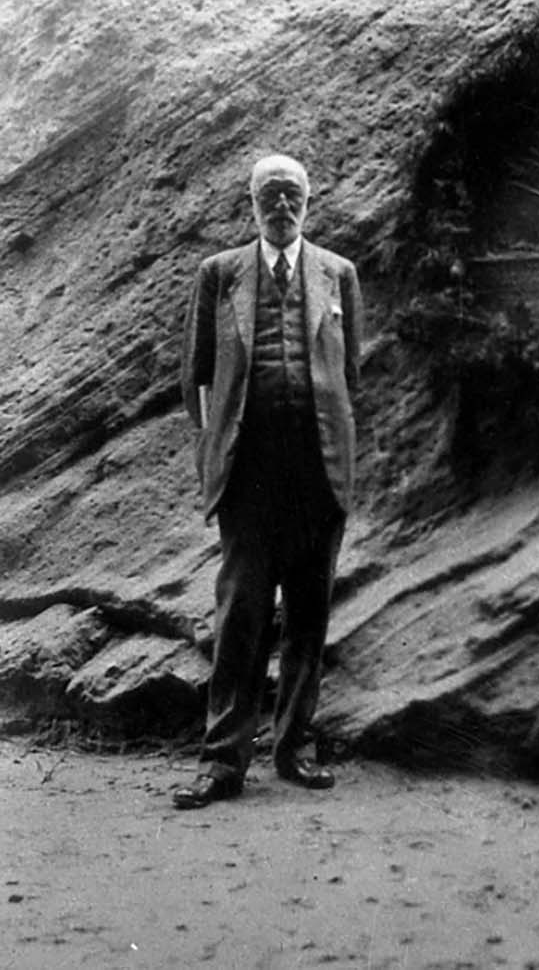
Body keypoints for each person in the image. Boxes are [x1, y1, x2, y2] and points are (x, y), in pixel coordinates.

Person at [173, 154, 363, 809]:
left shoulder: (339, 274)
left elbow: (351, 381)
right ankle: (223, 762)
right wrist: (214, 449)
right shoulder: (219, 275)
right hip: (249, 480)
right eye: (270, 195)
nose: (282, 206)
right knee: (242, 616)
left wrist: (337, 453)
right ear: (252, 204)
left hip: (316, 475)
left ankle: (296, 749)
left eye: (293, 195)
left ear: (309, 203)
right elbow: (194, 377)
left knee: (308, 618)